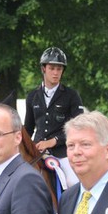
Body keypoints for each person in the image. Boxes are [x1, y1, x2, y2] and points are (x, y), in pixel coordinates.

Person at [24, 47, 84, 189]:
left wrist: (53, 141)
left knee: (73, 183)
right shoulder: (32, 97)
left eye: (59, 69)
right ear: (43, 69)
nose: (56, 73)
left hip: (61, 153)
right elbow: (28, 128)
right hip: (36, 151)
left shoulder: (71, 96)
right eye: (52, 68)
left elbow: (78, 127)